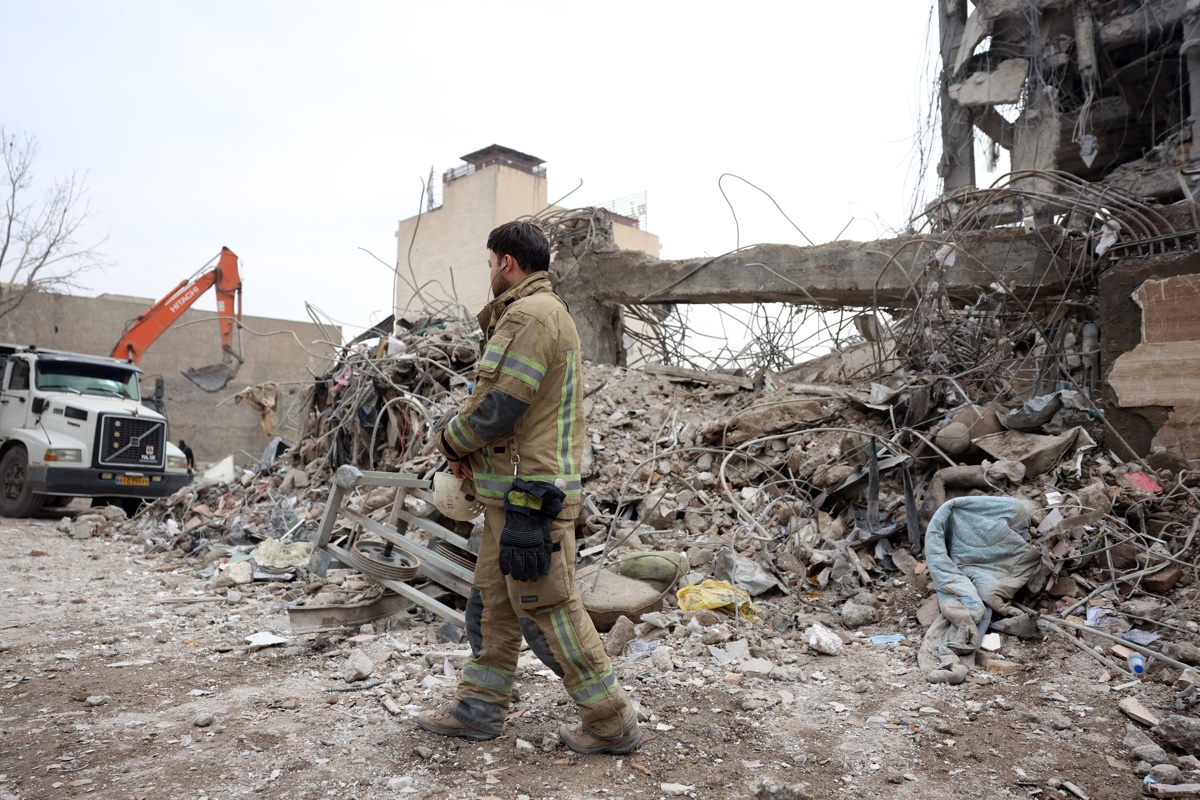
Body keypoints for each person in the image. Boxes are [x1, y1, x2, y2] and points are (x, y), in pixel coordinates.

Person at [418, 220, 642, 755]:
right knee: (491, 607)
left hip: (531, 500)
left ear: (507, 264)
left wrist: (450, 442)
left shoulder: (531, 315)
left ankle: (611, 723)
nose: (489, 272)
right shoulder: (532, 314)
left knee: (549, 611)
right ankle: (478, 710)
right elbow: (502, 408)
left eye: (490, 262)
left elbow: (500, 406)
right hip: (508, 498)